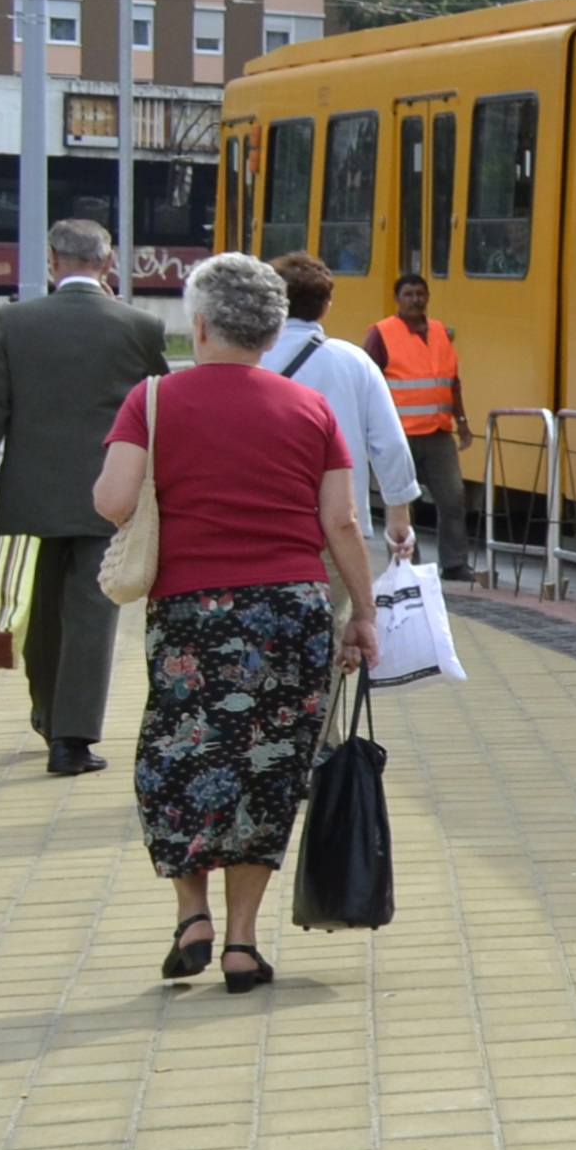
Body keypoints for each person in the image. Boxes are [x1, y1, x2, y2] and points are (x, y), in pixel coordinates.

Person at [97, 253, 382, 995]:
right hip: (292, 610)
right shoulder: (309, 408)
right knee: (268, 770)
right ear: (268, 330)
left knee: (181, 756)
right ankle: (244, 945)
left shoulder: (153, 400)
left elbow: (112, 499)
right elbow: (343, 521)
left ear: (198, 323)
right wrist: (365, 614)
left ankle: (191, 916)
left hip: (192, 613)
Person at [0, 216, 174, 777]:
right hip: (108, 497)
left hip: (30, 501)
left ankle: (47, 713)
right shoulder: (139, 326)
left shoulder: (14, 323)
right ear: (108, 261)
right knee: (93, 616)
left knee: (41, 615)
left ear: (51, 260)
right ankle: (72, 739)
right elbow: (165, 411)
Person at [259, 257, 418, 568]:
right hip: (338, 527)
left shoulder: (249, 357)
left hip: (262, 526)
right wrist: (398, 515)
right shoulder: (354, 362)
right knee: (337, 615)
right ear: (326, 306)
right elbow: (391, 444)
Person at [358, 267, 472, 580]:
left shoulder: (439, 332)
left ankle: (455, 563)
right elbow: (369, 381)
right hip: (399, 435)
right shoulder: (381, 334)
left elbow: (453, 381)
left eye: (420, 294)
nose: (415, 300)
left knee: (453, 497)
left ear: (428, 298)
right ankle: (409, 563)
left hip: (437, 432)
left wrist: (462, 421)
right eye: (408, 294)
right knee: (403, 501)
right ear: (397, 299)